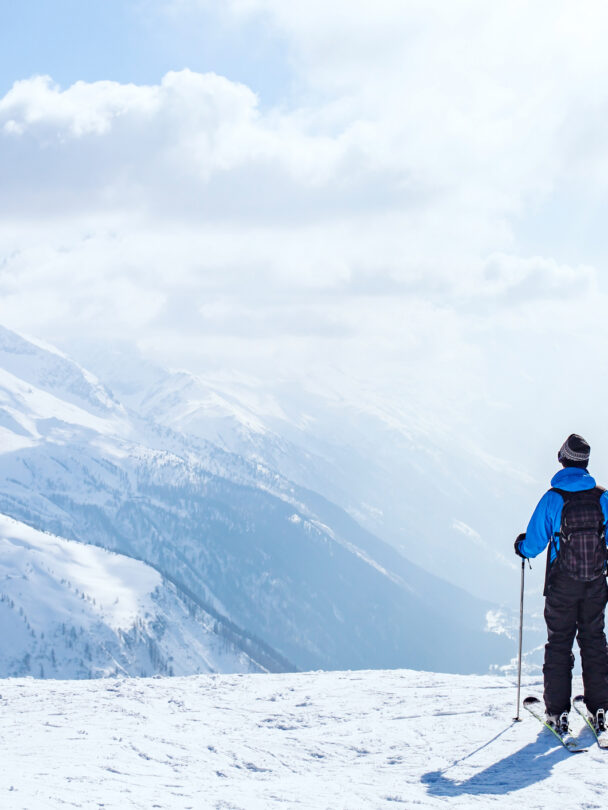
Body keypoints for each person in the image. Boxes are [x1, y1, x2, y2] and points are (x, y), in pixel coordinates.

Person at [514, 433, 608, 735]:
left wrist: (521, 547)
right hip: (596, 582)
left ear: (563, 460)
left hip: (562, 584)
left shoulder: (553, 498)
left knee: (559, 644)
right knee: (594, 641)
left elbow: (535, 543)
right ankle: (601, 707)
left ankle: (557, 713)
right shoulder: (603, 497)